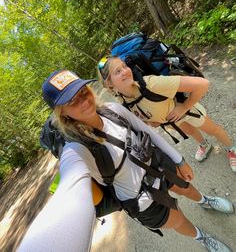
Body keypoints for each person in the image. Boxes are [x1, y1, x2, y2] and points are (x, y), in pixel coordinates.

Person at [18, 69, 234, 252]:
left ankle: (205, 201)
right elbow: (70, 191)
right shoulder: (75, 149)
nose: (84, 101)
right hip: (141, 199)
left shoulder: (113, 110)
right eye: (72, 101)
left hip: (157, 165)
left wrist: (179, 160)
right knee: (178, 220)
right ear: (62, 112)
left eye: (83, 92)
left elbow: (149, 133)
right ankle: (202, 237)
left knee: (187, 189)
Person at [98, 56, 236, 171]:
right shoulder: (123, 100)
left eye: (124, 66)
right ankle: (205, 146)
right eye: (117, 71)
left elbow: (203, 84)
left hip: (188, 112)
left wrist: (183, 107)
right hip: (173, 122)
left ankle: (232, 149)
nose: (125, 71)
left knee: (214, 130)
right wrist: (151, 121)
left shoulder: (150, 83)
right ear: (109, 84)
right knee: (192, 132)